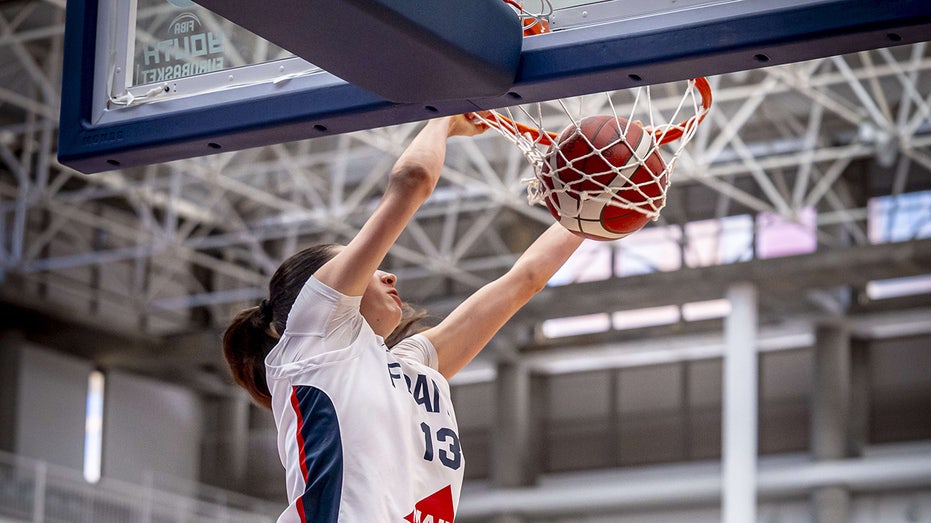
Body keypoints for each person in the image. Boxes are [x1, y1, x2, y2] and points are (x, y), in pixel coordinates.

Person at [223, 114, 584, 522]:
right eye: (366, 265)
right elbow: (413, 179)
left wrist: (593, 208)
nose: (387, 272)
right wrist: (445, 119)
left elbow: (525, 281)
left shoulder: (410, 368)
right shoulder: (315, 335)